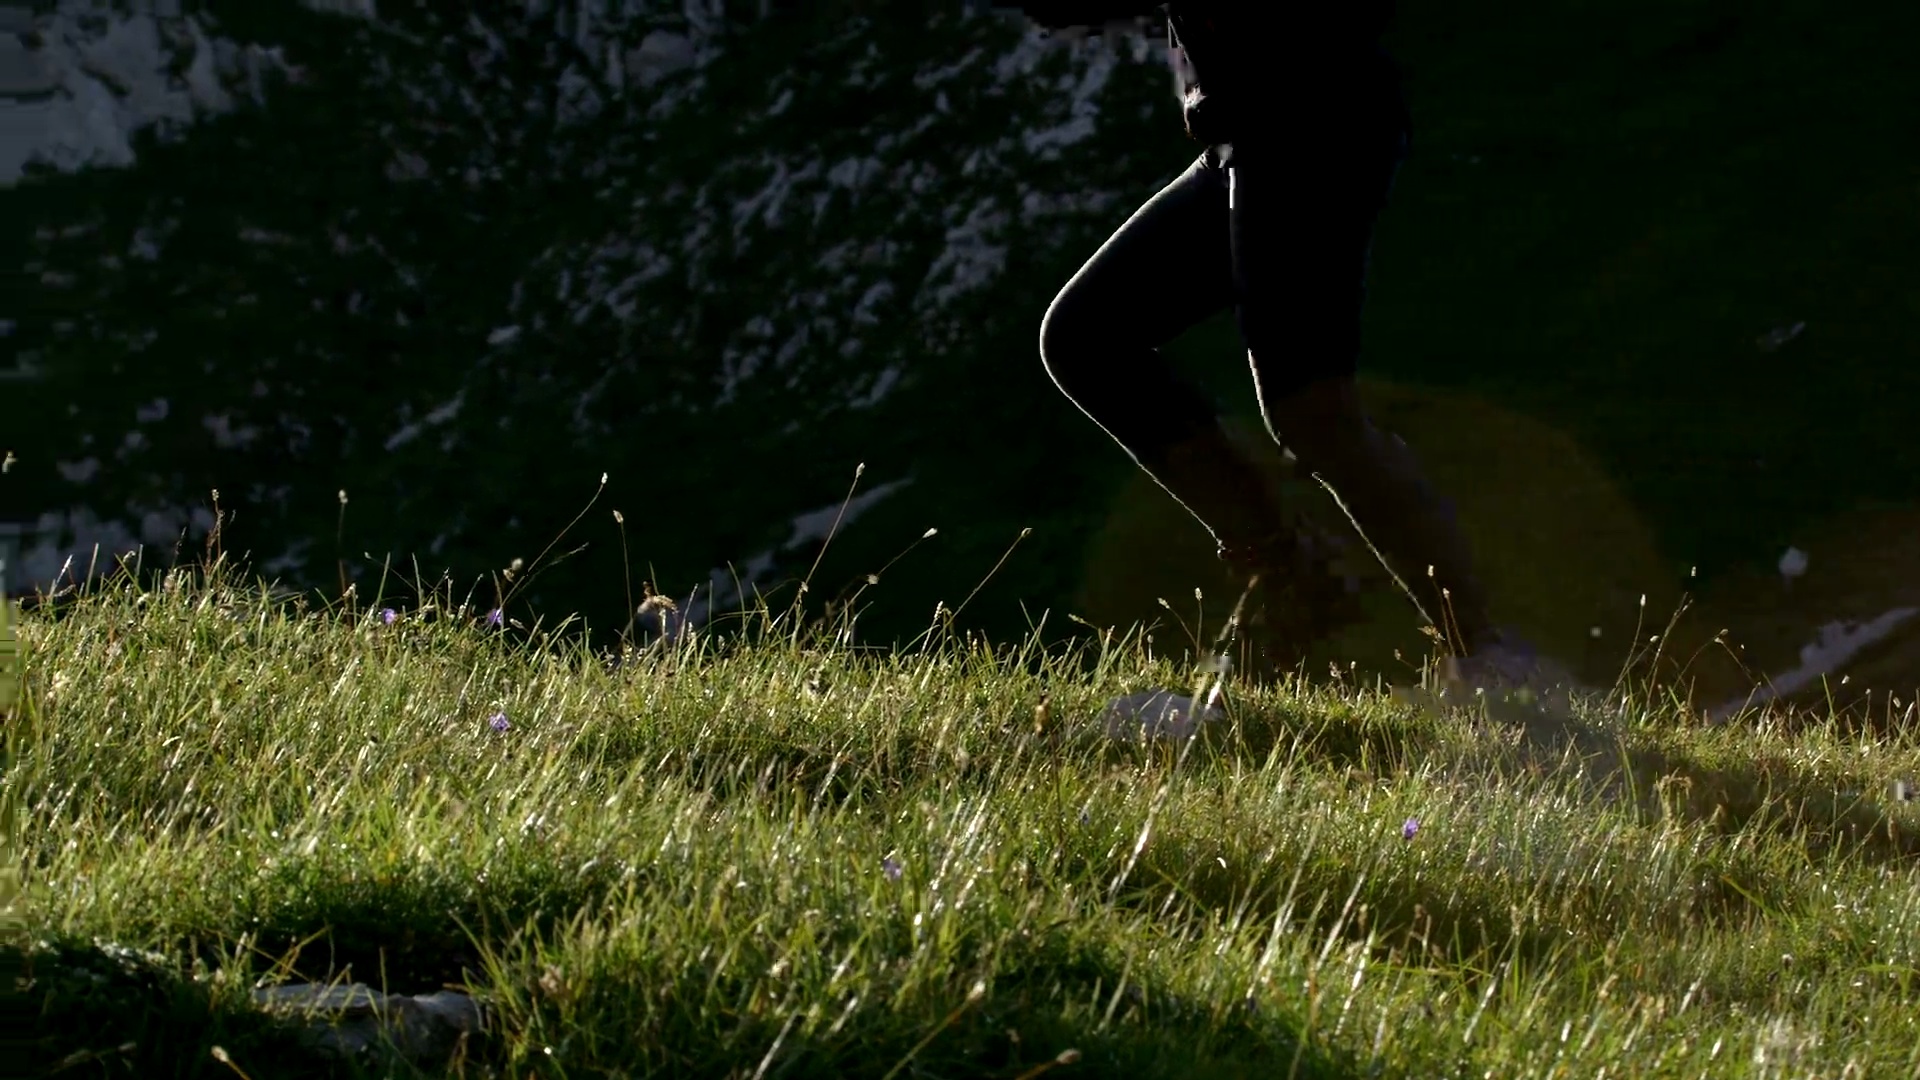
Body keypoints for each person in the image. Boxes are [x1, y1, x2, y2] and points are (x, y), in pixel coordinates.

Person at [1020, 1, 1545, 688]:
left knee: (1310, 414)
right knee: (1085, 339)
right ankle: (1287, 574)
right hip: (1245, 135)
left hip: (1312, 124)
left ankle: (1484, 654)